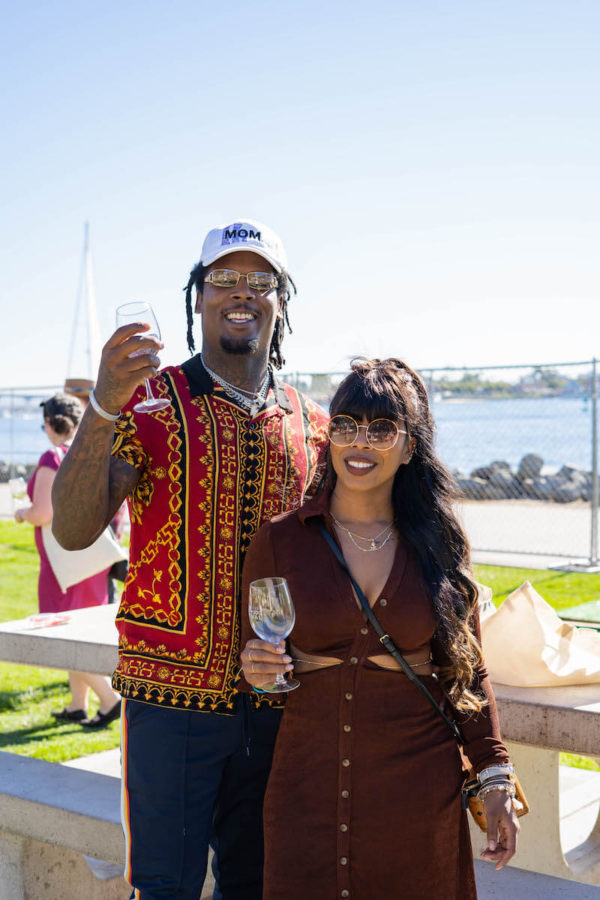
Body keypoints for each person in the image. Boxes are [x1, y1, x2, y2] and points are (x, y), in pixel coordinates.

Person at [51, 219, 329, 899]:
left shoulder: (311, 421)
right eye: (223, 279)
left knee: (260, 885)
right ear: (197, 297)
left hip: (275, 703)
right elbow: (75, 527)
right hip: (169, 704)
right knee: (164, 887)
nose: (241, 293)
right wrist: (102, 403)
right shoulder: (146, 404)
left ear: (281, 300)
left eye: (259, 281)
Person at [240, 358, 519, 900]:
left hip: (416, 792)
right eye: (345, 424)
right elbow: (254, 653)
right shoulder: (280, 541)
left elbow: (468, 670)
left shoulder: (439, 543)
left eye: (382, 428)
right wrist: (256, 667)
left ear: (410, 446)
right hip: (307, 786)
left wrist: (495, 776)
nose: (359, 442)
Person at [14, 392, 121, 726]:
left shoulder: (52, 456)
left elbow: (43, 512)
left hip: (64, 564)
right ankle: (78, 704)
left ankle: (109, 698)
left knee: (62, 632)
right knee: (80, 631)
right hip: (94, 557)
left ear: (49, 424)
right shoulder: (91, 453)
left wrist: (20, 513)